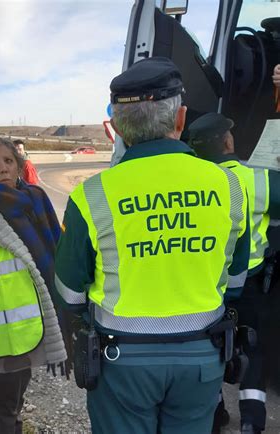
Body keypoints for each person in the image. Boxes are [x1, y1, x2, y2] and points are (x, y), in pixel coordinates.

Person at [54, 57, 251, 434]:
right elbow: (237, 279)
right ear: (180, 120)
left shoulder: (93, 195)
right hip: (201, 356)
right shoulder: (228, 187)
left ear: (117, 129)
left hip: (120, 360)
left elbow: (69, 291)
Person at [0, 137, 67, 434]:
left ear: (19, 165)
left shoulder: (34, 198)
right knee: (2, 406)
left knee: (14, 399)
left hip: (30, 323)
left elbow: (55, 250)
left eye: (8, 161)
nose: (3, 169)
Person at [188, 112, 280, 434]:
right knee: (252, 348)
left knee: (212, 347)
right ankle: (252, 421)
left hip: (206, 285)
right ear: (228, 142)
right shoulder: (255, 179)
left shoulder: (191, 181)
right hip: (251, 283)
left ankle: (215, 415)